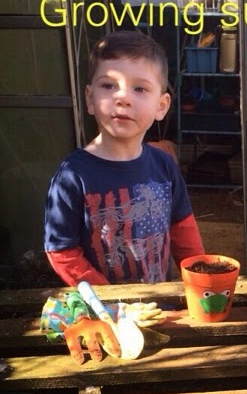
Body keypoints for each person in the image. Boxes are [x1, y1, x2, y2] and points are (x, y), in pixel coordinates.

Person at [44, 30, 204, 286]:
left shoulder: (164, 165)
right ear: (90, 99)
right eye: (109, 86)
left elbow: (183, 229)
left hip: (159, 303)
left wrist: (200, 281)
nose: (123, 98)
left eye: (139, 88)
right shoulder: (72, 176)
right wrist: (109, 298)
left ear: (161, 106)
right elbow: (62, 251)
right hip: (102, 307)